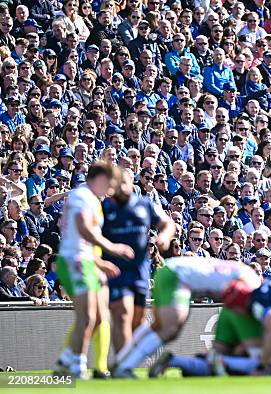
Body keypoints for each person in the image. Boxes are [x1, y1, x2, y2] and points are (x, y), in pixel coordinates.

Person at [111, 256, 260, 378]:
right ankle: (125, 367)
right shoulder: (251, 284)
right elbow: (238, 305)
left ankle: (121, 361)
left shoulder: (249, 275)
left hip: (171, 270)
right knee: (170, 329)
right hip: (178, 276)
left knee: (158, 326)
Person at [53, 162, 134, 379]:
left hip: (86, 260)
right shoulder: (82, 196)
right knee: (88, 317)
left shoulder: (91, 199)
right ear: (101, 178)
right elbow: (83, 227)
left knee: (98, 317)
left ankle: (65, 361)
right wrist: (112, 248)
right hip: (74, 261)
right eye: (111, 183)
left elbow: (83, 239)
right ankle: (77, 366)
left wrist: (99, 262)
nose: (112, 189)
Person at [102, 169, 174, 354]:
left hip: (140, 271)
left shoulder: (144, 205)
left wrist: (164, 237)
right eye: (118, 184)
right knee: (122, 315)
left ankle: (128, 359)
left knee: (137, 320)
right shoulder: (105, 208)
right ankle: (123, 364)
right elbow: (89, 236)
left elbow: (167, 223)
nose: (122, 188)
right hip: (115, 271)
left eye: (125, 183)